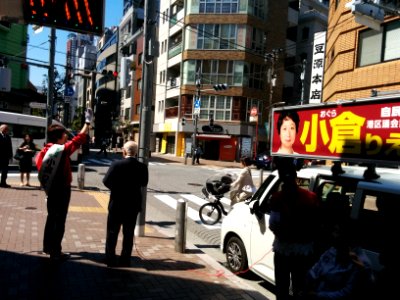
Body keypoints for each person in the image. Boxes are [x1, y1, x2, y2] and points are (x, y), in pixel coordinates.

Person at [35, 109, 92, 261]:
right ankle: (56, 251)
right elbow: (79, 139)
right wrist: (87, 122)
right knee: (60, 220)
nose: (67, 137)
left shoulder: (44, 152)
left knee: (51, 218)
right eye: (65, 135)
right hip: (62, 190)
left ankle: (47, 247)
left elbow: (40, 169)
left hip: (50, 190)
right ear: (59, 138)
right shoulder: (61, 150)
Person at [268, 158, 321, 300]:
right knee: (301, 287)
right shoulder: (311, 197)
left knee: (282, 288)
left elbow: (273, 224)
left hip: (283, 250)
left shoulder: (277, 198)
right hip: (304, 251)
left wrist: (285, 234)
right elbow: (317, 223)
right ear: (295, 176)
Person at [300, 221, 375, 299]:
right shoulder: (334, 250)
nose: (333, 234)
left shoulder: (361, 262)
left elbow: (347, 293)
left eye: (337, 232)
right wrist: (308, 283)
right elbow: (316, 269)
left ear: (347, 236)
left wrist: (316, 295)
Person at [103, 141, 149, 267]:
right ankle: (125, 259)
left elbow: (106, 181)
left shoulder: (116, 164)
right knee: (128, 234)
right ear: (136, 152)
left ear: (124, 151)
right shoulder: (142, 167)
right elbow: (144, 183)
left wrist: (116, 189)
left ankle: (110, 259)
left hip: (116, 203)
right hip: (133, 204)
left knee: (112, 232)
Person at [0, 124, 13, 188]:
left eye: (7, 129)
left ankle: (3, 183)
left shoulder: (8, 137)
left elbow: (10, 147)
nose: (7, 130)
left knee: (5, 171)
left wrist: (11, 156)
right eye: (5, 129)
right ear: (1, 129)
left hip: (5, 157)